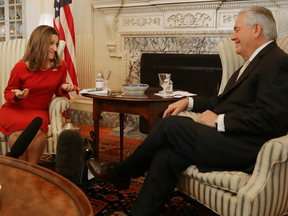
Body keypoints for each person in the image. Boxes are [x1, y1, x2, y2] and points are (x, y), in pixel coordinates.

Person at [87, 6, 288, 216]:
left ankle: (121, 172)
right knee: (166, 156)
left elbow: (272, 119)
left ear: (256, 30)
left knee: (170, 125)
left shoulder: (277, 62)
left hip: (243, 148)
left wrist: (220, 121)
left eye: (237, 30)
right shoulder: (252, 63)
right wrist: (187, 102)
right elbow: (220, 101)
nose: (232, 36)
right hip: (228, 140)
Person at [0, 25, 79, 164]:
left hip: (38, 111)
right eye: (51, 43)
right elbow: (8, 92)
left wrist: (64, 87)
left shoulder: (61, 66)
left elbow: (57, 90)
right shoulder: (21, 67)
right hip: (15, 110)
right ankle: (19, 173)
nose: (55, 48)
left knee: (38, 133)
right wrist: (17, 96)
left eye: (56, 44)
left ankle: (32, 171)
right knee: (18, 134)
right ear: (39, 43)